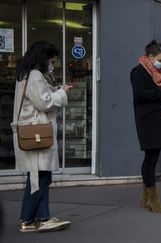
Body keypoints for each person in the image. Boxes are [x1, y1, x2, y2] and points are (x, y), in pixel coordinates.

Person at [11, 41, 73, 232]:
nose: (52, 64)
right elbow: (43, 103)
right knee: (39, 177)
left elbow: (40, 98)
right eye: (51, 60)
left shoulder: (28, 75)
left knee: (40, 177)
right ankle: (30, 219)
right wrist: (62, 92)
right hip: (36, 133)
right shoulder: (35, 75)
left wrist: (57, 90)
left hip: (33, 132)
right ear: (43, 59)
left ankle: (39, 218)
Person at [130, 40, 161, 213]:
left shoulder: (158, 73)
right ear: (150, 57)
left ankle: (146, 196)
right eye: (160, 59)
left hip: (160, 119)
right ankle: (153, 198)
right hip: (148, 120)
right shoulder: (138, 72)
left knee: (153, 158)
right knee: (150, 159)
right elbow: (140, 95)